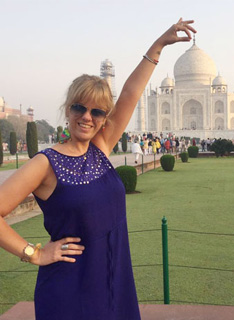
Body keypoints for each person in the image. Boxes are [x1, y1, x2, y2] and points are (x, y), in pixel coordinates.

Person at [0, 18, 196, 320]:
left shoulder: (100, 148)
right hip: (68, 291)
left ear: (105, 118)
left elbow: (130, 93)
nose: (87, 117)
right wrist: (35, 253)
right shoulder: (45, 163)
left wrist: (157, 46)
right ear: (68, 110)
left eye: (97, 111)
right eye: (79, 107)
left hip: (114, 282)